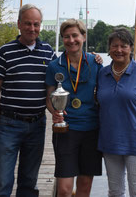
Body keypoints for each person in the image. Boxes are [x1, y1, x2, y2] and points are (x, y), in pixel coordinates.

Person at [0, 4, 57, 197]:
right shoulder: (5, 52)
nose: (32, 28)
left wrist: (95, 59)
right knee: (3, 180)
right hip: (9, 124)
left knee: (29, 180)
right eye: (28, 23)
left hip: (37, 124)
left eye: (36, 24)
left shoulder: (48, 52)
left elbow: (65, 72)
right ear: (19, 24)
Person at [97, 28, 136, 197]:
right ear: (109, 49)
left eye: (123, 46)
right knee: (115, 191)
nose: (119, 50)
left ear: (131, 48)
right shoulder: (102, 74)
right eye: (114, 46)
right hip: (110, 143)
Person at [45, 19, 102, 197]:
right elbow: (49, 97)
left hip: (92, 130)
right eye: (67, 37)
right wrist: (54, 111)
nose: (71, 40)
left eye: (75, 35)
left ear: (83, 37)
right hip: (66, 131)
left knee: (84, 187)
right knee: (64, 190)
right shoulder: (54, 65)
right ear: (63, 39)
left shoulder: (96, 63)